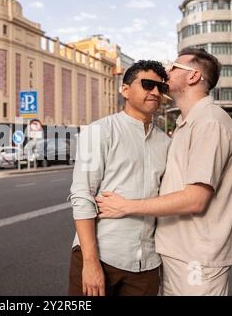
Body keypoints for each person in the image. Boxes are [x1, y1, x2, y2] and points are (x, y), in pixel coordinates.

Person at [96, 48, 232, 296]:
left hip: (197, 261)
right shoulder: (188, 123)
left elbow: (196, 199)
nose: (167, 72)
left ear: (193, 77)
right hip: (177, 255)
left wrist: (126, 206)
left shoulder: (210, 122)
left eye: (174, 67)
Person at [68, 61, 171, 296]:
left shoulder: (166, 142)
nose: (155, 92)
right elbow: (82, 196)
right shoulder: (99, 132)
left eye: (160, 87)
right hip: (102, 257)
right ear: (125, 90)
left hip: (147, 265)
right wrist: (91, 263)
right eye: (147, 84)